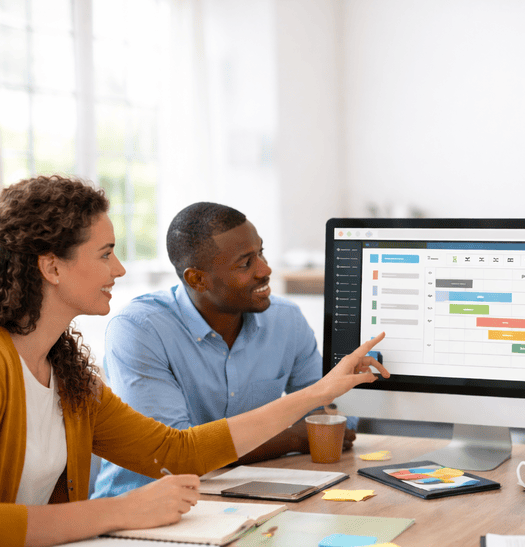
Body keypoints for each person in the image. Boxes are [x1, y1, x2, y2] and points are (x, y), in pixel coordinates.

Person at [0, 176, 388, 547]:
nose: (120, 268)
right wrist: (122, 511)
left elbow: (177, 452)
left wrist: (318, 393)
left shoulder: (64, 370)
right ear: (52, 266)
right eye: (105, 254)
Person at [92, 202, 352, 498]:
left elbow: (322, 417)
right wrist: (293, 438)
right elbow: (174, 458)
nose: (265, 270)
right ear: (197, 279)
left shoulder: (285, 319)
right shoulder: (140, 329)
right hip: (144, 508)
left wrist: (318, 426)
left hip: (245, 499)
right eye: (245, 264)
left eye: (261, 254)